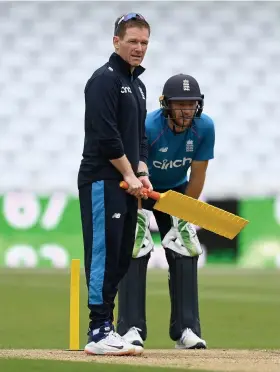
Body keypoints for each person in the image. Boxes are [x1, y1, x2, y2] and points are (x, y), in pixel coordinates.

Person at [116, 74, 215, 353]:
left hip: (173, 193)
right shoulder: (148, 125)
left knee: (185, 247)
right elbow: (136, 167)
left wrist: (185, 211)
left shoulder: (205, 127)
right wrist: (137, 213)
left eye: (191, 104)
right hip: (139, 190)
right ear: (166, 105)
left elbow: (197, 175)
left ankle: (187, 330)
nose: (186, 111)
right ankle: (129, 328)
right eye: (179, 104)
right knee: (136, 246)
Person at [77, 12, 153, 356]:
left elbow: (138, 137)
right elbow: (106, 137)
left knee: (122, 257)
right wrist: (127, 174)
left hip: (125, 183)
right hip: (101, 181)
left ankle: (107, 327)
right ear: (116, 41)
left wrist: (142, 171)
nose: (139, 48)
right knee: (103, 255)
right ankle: (97, 331)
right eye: (133, 41)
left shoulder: (138, 85)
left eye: (144, 43)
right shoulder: (103, 80)